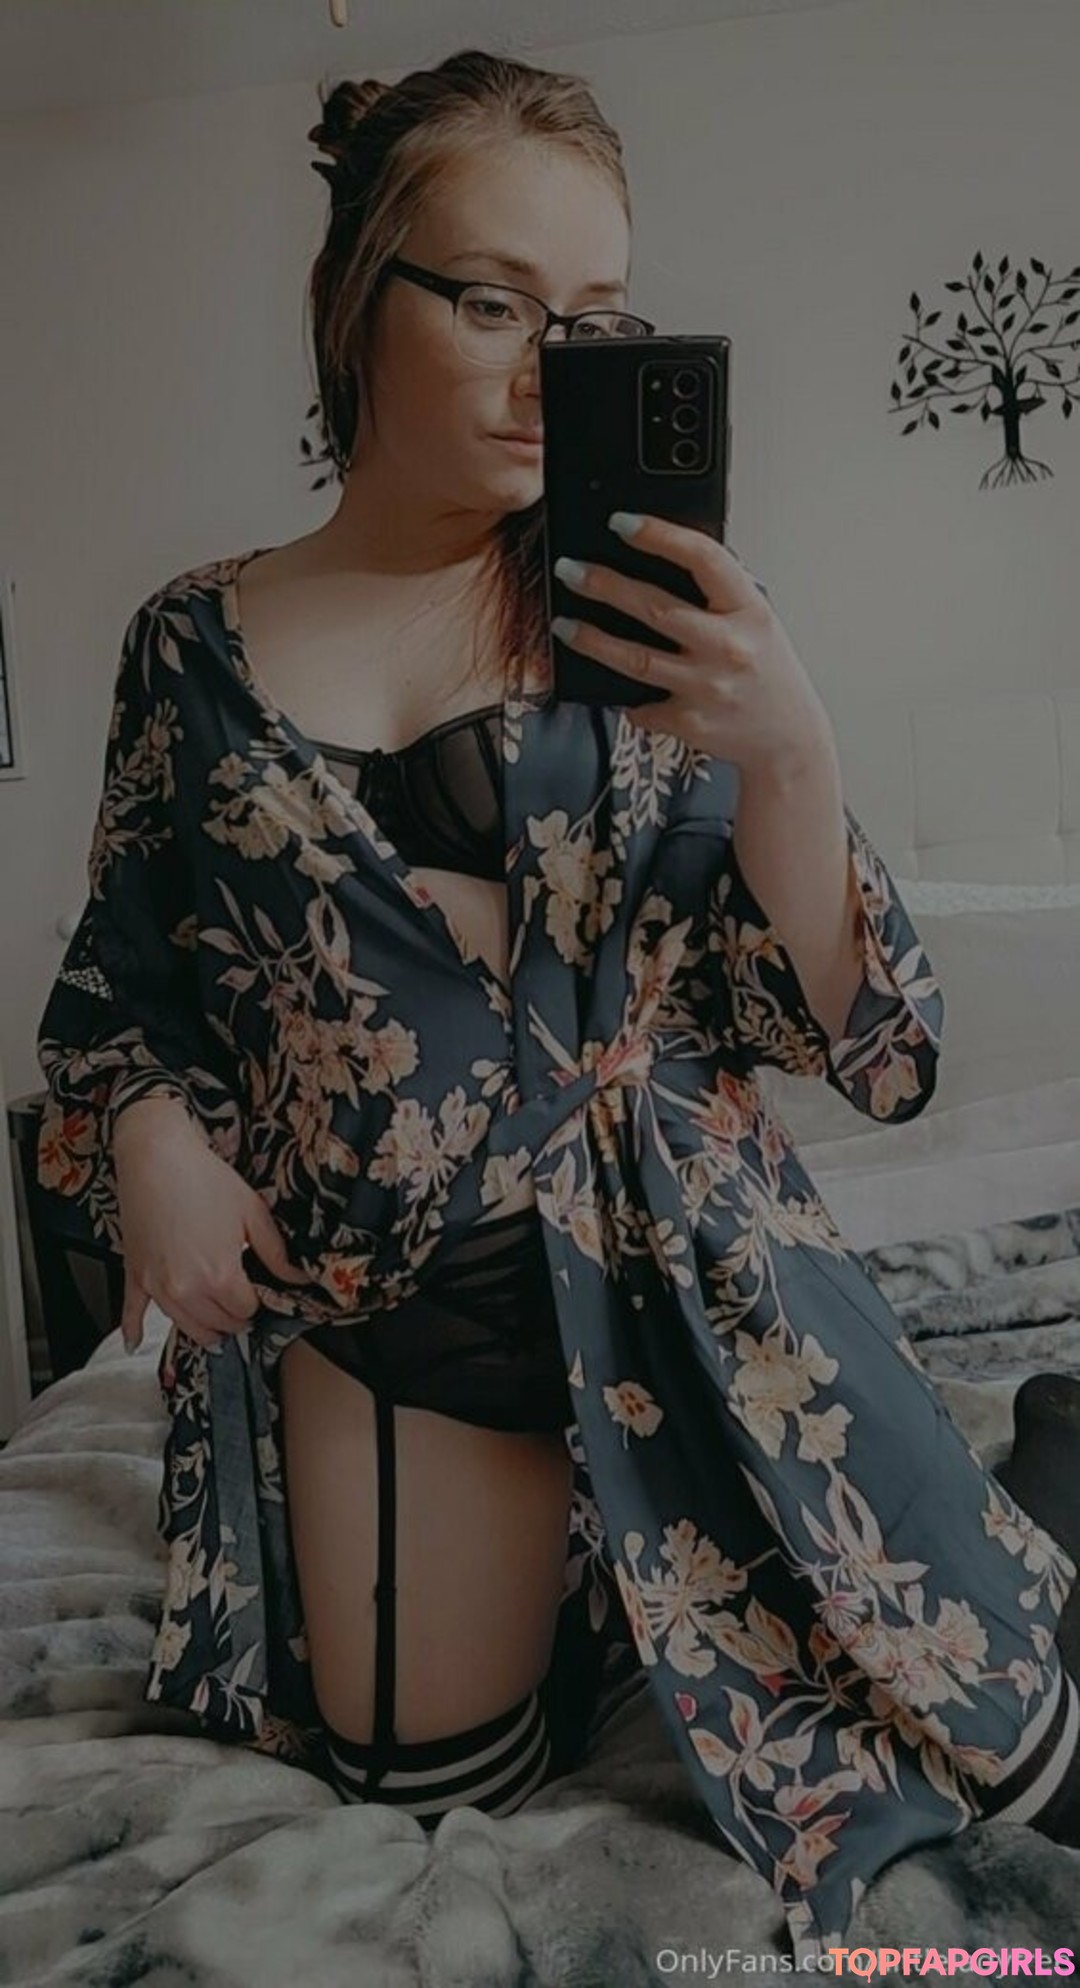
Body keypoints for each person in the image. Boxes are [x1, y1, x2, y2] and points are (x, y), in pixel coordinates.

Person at [33, 47, 1080, 1964]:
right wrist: (157, 1137)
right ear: (358, 298)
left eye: (595, 317)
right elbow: (122, 985)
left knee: (1010, 1743)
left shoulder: (644, 605)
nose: (550, 369)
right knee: (417, 1779)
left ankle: (1039, 1461)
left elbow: (857, 1033)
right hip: (382, 1310)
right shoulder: (188, 645)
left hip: (685, 1276)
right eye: (497, 304)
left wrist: (789, 752)